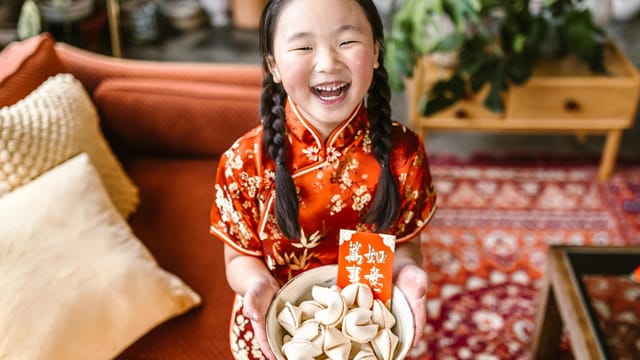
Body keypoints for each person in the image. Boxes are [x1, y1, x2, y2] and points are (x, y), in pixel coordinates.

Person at [209, 0, 437, 358]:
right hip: (277, 329)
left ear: (376, 51)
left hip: (366, 330)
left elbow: (407, 241)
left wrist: (407, 271)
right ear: (274, 65)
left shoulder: (403, 154)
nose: (328, 63)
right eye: (303, 46)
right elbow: (238, 258)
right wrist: (255, 285)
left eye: (346, 42)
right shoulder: (244, 162)